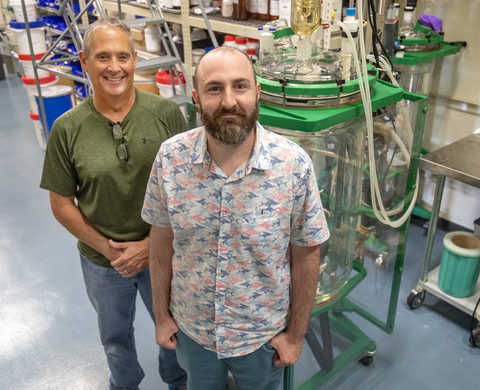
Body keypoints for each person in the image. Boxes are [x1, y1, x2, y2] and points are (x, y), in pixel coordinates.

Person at [141, 46, 330, 390]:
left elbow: (306, 255)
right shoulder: (170, 159)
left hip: (261, 337)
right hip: (193, 331)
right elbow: (160, 242)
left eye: (240, 86)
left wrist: (295, 335)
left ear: (257, 93)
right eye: (215, 89)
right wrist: (162, 315)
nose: (229, 101)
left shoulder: (293, 165)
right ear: (196, 98)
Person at [39, 18, 187, 390]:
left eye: (123, 56)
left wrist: (149, 246)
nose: (114, 67)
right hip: (103, 261)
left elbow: (187, 190)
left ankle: (178, 379)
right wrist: (107, 248)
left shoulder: (166, 115)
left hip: (163, 253)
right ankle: (124, 384)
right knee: (115, 337)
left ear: (135, 60)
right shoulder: (68, 128)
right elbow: (61, 202)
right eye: (102, 57)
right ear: (85, 62)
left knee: (174, 327)